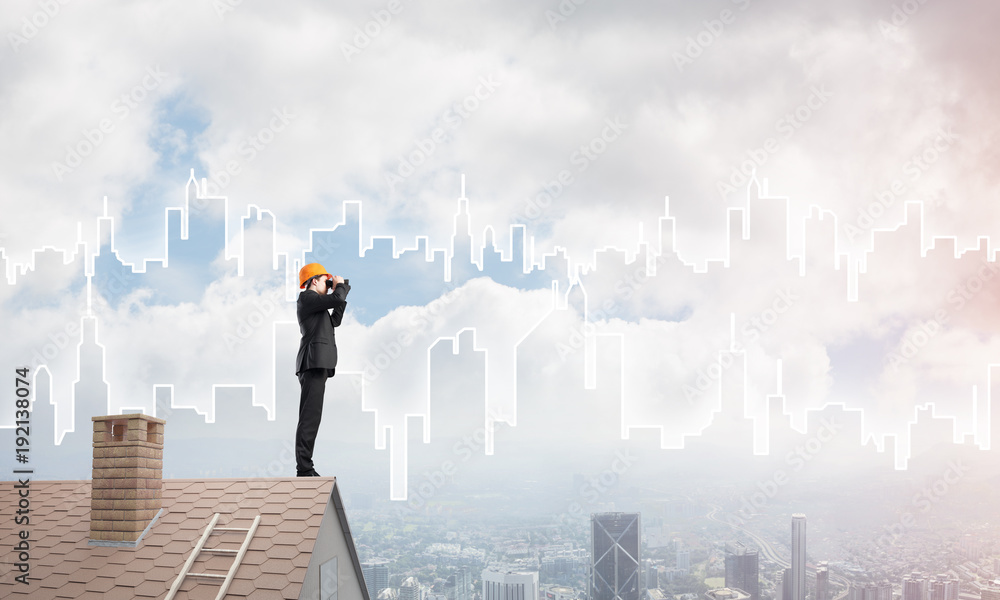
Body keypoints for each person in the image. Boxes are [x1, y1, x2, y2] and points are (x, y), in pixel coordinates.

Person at [294, 262, 350, 477]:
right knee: (309, 417)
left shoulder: (317, 306)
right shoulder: (307, 298)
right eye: (325, 282)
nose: (328, 286)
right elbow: (335, 299)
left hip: (318, 363)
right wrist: (340, 289)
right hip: (312, 362)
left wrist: (340, 291)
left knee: (313, 416)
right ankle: (304, 468)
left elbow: (335, 320)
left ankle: (305, 467)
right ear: (314, 280)